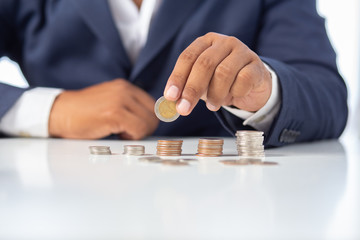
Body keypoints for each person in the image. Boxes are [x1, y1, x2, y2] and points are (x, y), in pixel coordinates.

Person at [0, 0, 348, 147]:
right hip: (57, 204)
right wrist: (50, 110)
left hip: (224, 206)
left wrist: (265, 92)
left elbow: (327, 95)